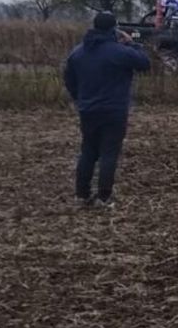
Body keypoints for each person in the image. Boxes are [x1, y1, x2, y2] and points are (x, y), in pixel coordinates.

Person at [63, 12, 151, 209]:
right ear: (114, 28)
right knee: (109, 153)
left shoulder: (78, 52)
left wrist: (80, 98)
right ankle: (104, 197)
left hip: (87, 110)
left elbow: (69, 80)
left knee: (88, 151)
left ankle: (81, 194)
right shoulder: (120, 52)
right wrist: (132, 43)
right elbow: (145, 63)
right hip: (114, 110)